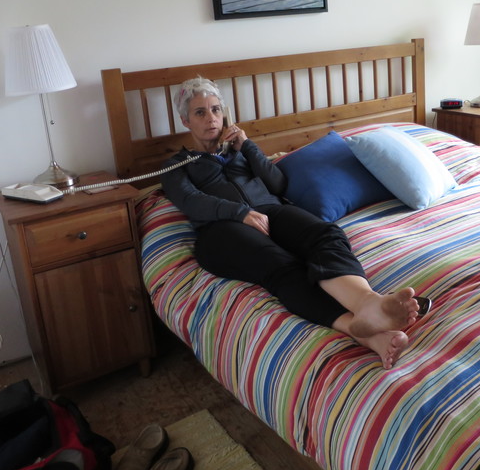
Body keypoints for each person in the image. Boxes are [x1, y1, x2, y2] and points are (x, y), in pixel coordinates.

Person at [161, 77, 426, 369]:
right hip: (220, 230)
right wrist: (239, 213)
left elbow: (277, 184)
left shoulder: (239, 151)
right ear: (185, 120)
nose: (211, 118)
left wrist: (247, 146)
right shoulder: (176, 165)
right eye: (200, 112)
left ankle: (367, 305)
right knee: (279, 263)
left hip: (269, 211)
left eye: (215, 110)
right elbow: (190, 201)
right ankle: (357, 329)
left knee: (325, 233)